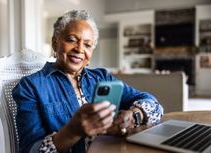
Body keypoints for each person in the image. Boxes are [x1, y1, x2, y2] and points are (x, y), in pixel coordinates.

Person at [12, 10, 163, 153]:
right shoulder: (30, 86)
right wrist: (72, 131)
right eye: (71, 40)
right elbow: (30, 149)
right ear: (55, 43)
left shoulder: (101, 77)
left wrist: (133, 116)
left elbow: (153, 104)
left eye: (87, 44)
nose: (79, 49)